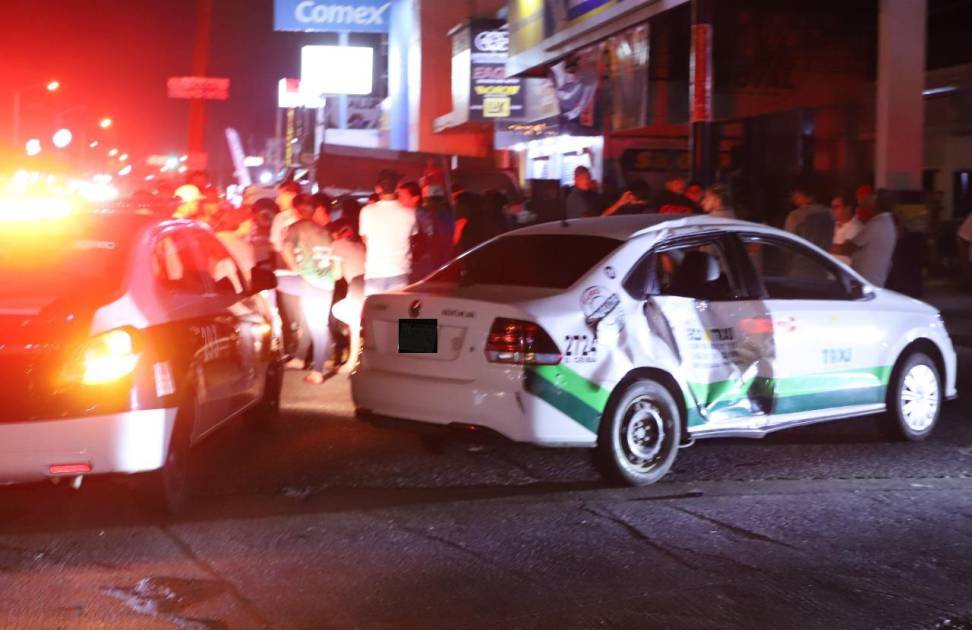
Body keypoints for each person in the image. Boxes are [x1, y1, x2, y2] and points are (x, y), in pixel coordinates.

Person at [280, 194, 341, 384]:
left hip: (310, 280)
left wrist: (295, 268)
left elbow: (285, 249)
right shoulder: (325, 231)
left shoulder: (297, 227)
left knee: (316, 325)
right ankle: (315, 359)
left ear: (297, 210)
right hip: (327, 281)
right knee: (315, 322)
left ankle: (318, 370)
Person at [358, 170, 418, 295]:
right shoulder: (410, 213)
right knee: (396, 312)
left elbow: (365, 240)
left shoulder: (366, 211)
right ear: (397, 187)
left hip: (374, 271)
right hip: (400, 271)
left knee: (373, 313)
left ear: (379, 188)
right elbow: (412, 238)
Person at [835, 190, 897, 287]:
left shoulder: (876, 224)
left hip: (865, 282)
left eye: (870, 198)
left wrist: (821, 247)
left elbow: (847, 249)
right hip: (872, 280)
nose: (867, 201)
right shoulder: (886, 222)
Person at [329, 218, 367, 374]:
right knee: (350, 317)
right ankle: (356, 357)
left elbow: (336, 275)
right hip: (370, 282)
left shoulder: (336, 245)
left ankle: (352, 363)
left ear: (336, 233)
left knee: (352, 323)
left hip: (357, 285)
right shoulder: (360, 245)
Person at [784, 186, 834, 252]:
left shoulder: (795, 216)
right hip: (824, 258)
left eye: (796, 196)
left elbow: (788, 242)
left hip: (804, 258)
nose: (793, 199)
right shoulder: (829, 212)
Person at [269, 181, 302, 260]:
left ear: (292, 195)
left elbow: (276, 246)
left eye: (280, 196)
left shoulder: (281, 217)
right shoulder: (307, 215)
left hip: (286, 263)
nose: (277, 201)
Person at [830, 194, 863, 264]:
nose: (832, 210)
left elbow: (846, 249)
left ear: (848, 208)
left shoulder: (856, 226)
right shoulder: (833, 225)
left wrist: (821, 245)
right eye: (832, 207)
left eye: (836, 207)